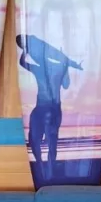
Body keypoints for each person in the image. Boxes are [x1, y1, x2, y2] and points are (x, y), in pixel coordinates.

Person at [17, 35, 80, 179]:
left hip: (46, 108)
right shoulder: (54, 68)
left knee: (45, 141)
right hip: (49, 109)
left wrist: (25, 51)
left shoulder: (42, 69)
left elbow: (22, 62)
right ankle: (44, 167)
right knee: (47, 141)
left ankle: (44, 167)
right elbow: (66, 85)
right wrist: (66, 68)